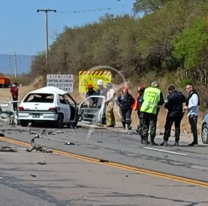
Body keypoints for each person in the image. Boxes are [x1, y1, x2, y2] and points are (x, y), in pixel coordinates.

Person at [140, 81, 164, 145]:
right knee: (152, 125)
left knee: (145, 124)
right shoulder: (158, 91)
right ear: (157, 86)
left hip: (145, 109)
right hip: (153, 110)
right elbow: (161, 101)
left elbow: (142, 99)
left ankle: (145, 140)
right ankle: (152, 141)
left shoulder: (146, 90)